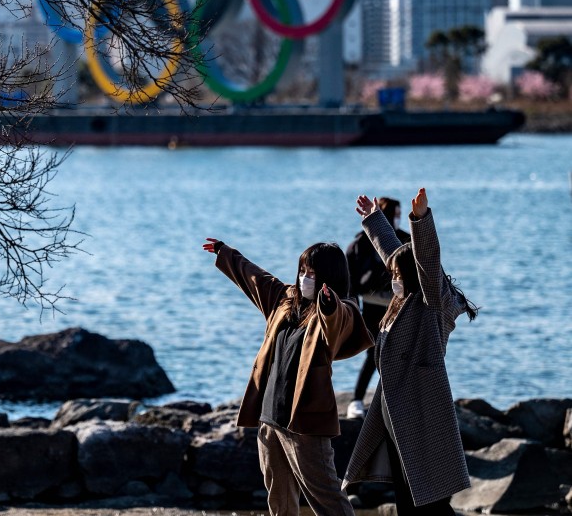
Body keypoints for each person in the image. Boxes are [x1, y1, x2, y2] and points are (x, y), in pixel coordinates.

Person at [203, 236, 373, 516]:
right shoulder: (285, 301)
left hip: (306, 424)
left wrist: (329, 306)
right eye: (303, 271)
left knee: (328, 499)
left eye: (313, 273)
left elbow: (339, 321)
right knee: (279, 501)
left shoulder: (342, 309)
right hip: (270, 418)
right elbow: (256, 278)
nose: (305, 278)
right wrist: (226, 253)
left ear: (329, 277)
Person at [342, 188, 479, 515]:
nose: (393, 282)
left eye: (397, 278)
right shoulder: (403, 303)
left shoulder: (431, 304)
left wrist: (420, 221)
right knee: (407, 497)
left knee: (431, 503)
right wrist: (374, 221)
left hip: (420, 408)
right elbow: (396, 256)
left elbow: (426, 262)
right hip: (395, 409)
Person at [344, 197, 410, 420]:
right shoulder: (362, 243)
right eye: (396, 213)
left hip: (399, 306)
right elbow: (349, 278)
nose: (399, 218)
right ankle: (356, 400)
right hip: (372, 306)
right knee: (373, 354)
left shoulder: (406, 241)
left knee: (397, 355)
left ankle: (395, 401)